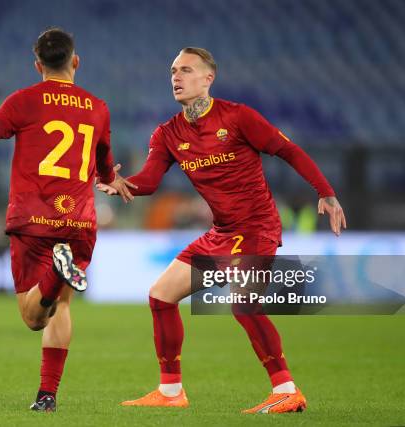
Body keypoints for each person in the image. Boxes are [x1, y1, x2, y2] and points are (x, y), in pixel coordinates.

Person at [97, 47, 347, 414]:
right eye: (172, 71)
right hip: (223, 232)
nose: (176, 78)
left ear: (208, 78)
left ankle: (286, 389)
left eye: (185, 70)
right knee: (161, 295)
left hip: (257, 226)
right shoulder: (168, 133)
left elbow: (289, 151)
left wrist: (325, 192)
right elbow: (149, 181)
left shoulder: (238, 117)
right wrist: (122, 183)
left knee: (244, 304)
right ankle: (170, 392)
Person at [0, 28, 125, 412]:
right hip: (78, 221)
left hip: (34, 219)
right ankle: (47, 396)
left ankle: (54, 275)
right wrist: (110, 180)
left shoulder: (23, 101)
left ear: (37, 66)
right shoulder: (97, 106)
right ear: (75, 61)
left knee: (34, 318)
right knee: (61, 308)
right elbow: (103, 165)